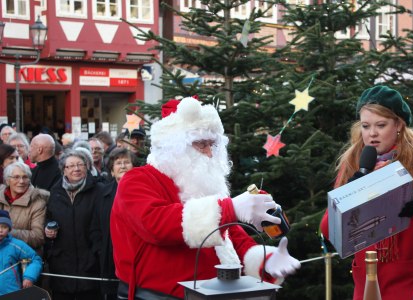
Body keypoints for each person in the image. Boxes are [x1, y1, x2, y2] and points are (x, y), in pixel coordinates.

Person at [111, 97, 300, 299]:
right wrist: (230, 209)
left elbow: (231, 236)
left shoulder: (202, 186)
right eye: (201, 144)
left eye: (212, 144)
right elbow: (157, 225)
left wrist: (265, 260)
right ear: (172, 146)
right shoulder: (137, 180)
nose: (210, 153)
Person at [320, 85, 413, 300]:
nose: (372, 133)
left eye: (381, 125)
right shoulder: (353, 163)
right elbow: (328, 229)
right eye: (365, 126)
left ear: (399, 124)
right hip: (369, 285)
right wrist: (351, 194)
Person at [44, 150, 103, 300]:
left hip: (90, 263)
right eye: (70, 166)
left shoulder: (98, 190)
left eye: (79, 165)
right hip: (62, 264)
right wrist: (48, 230)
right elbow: (48, 217)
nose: (76, 169)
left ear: (87, 167)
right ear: (64, 170)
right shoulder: (55, 192)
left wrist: (96, 255)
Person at [95, 148, 137, 300]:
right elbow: (95, 226)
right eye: (118, 163)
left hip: (134, 255)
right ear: (112, 171)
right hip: (109, 256)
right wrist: (100, 250)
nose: (123, 166)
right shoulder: (102, 194)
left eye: (127, 162)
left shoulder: (141, 192)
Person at [0, 162, 48, 252]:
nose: (21, 181)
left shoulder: (37, 202)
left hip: (25, 257)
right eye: (16, 177)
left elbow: (38, 237)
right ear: (7, 180)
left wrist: (6, 232)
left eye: (25, 177)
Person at [0, 210, 43, 296]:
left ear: (9, 229)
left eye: (4, 227)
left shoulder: (16, 245)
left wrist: (29, 277)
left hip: (11, 293)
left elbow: (35, 259)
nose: (0, 230)